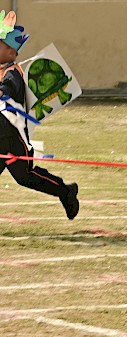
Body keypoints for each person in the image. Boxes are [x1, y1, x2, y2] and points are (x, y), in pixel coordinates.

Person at [0, 11, 79, 219]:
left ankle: (65, 191)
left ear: (11, 52)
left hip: (12, 138)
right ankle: (65, 191)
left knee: (25, 176)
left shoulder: (12, 73)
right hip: (1, 136)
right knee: (24, 177)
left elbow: (7, 89)